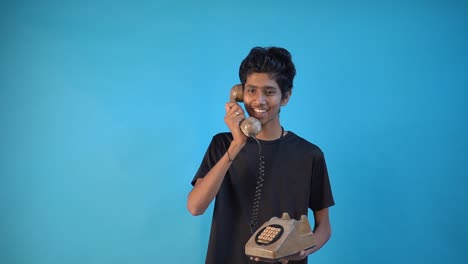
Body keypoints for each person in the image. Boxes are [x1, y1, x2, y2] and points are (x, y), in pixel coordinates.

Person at [187, 46, 335, 264]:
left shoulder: (309, 154)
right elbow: (195, 207)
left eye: (269, 92)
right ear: (239, 93)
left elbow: (324, 227)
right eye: (251, 90)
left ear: (285, 97)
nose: (259, 101)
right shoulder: (223, 145)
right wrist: (237, 144)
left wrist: (304, 249)